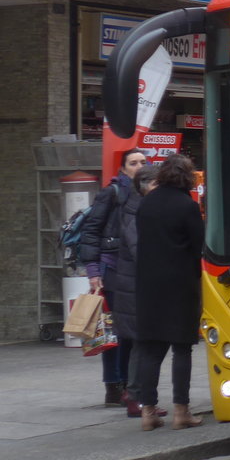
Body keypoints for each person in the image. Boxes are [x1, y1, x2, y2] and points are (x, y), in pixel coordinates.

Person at [133, 153, 204, 431]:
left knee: (151, 350)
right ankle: (181, 411)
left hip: (148, 286)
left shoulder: (146, 204)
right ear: (187, 177)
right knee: (182, 349)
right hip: (180, 284)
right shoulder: (187, 206)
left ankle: (148, 413)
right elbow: (198, 245)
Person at [76, 148, 148, 408]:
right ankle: (114, 386)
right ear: (123, 167)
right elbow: (91, 230)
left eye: (143, 162)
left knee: (130, 330)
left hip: (135, 269)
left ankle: (128, 385)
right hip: (112, 267)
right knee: (114, 330)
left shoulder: (148, 193)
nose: (139, 166)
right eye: (133, 162)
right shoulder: (113, 192)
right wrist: (93, 271)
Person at [107, 164, 164, 418]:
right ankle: (136, 396)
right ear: (147, 186)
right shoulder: (136, 211)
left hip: (139, 287)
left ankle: (142, 397)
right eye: (158, 185)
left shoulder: (140, 208)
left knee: (146, 344)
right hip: (136, 289)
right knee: (143, 344)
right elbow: (141, 251)